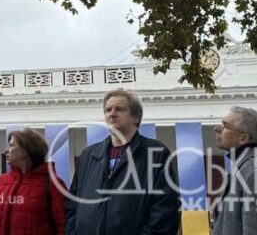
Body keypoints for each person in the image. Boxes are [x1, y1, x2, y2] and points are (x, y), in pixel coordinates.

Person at [64, 89, 180, 235]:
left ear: (136, 117)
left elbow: (165, 211)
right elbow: (72, 205)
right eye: (108, 110)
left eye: (119, 109)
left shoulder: (156, 153)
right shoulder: (89, 155)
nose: (112, 113)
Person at [211, 106, 257, 235]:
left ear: (243, 138)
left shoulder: (256, 172)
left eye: (225, 125)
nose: (217, 129)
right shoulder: (245, 169)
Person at [0, 128, 66, 235]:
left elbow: (62, 225)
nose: (6, 150)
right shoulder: (0, 181)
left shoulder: (53, 184)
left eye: (12, 145)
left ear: (27, 150)